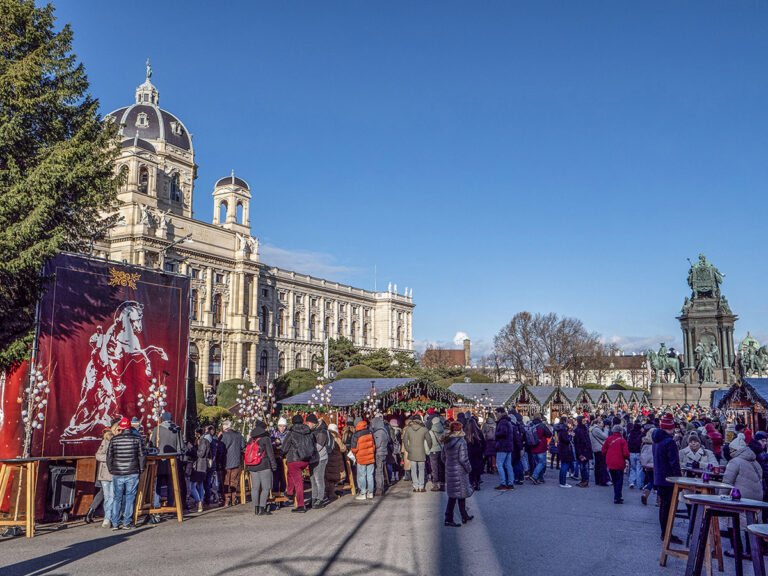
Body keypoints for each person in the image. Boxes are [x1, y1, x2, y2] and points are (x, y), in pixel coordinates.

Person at [723, 433, 764, 558]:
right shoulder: (754, 461)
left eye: (731, 449)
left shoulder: (735, 461)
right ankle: (751, 550)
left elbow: (727, 482)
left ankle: (736, 549)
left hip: (740, 499)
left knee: (731, 521)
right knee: (750, 525)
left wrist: (721, 497)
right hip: (756, 498)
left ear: (736, 450)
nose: (730, 452)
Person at [106, 416, 147, 530]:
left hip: (118, 472)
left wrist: (111, 469)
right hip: (133, 471)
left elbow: (109, 457)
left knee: (117, 498)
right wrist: (142, 469)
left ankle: (115, 523)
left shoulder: (114, 439)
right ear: (129, 427)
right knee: (130, 497)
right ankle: (126, 522)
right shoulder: (137, 439)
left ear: (121, 427)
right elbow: (142, 456)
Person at [653, 413, 683, 544]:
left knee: (663, 507)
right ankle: (667, 533)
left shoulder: (656, 440)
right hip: (669, 478)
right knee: (669, 508)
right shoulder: (669, 442)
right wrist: (678, 478)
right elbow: (674, 462)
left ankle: (664, 532)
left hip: (659, 477)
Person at [86, 421, 119, 527]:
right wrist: (111, 459)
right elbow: (99, 455)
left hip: (113, 472)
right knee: (107, 495)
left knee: (110, 496)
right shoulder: (107, 439)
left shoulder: (118, 439)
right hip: (105, 472)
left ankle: (107, 517)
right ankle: (105, 517)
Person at [149, 411, 184, 513]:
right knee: (172, 484)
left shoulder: (157, 429)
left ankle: (156, 505)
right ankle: (171, 505)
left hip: (159, 461)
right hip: (173, 461)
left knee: (157, 483)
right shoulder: (176, 429)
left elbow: (152, 445)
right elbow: (180, 446)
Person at [280, 415, 315, 513]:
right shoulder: (308, 431)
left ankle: (301, 505)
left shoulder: (291, 433)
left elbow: (284, 447)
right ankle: (290, 492)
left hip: (294, 460)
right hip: (305, 459)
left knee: (298, 482)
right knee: (290, 474)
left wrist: (282, 454)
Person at [442, 421, 474, 527]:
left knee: (454, 495)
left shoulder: (447, 440)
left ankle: (461, 515)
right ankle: (452, 518)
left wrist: (449, 464)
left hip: (450, 470)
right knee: (460, 494)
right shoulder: (461, 441)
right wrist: (469, 468)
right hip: (460, 471)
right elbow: (463, 458)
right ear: (460, 429)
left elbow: (443, 457)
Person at [245, 420, 278, 516]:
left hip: (252, 466)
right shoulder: (265, 438)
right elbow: (270, 453)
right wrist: (274, 465)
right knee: (266, 487)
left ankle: (256, 508)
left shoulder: (251, 439)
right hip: (264, 466)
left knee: (255, 488)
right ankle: (262, 508)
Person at [305, 414, 331, 508]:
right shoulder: (312, 431)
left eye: (308, 423)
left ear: (313, 423)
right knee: (312, 479)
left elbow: (319, 446)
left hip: (321, 458)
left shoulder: (322, 431)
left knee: (318, 479)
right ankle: (314, 499)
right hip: (313, 458)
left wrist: (307, 449)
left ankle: (320, 499)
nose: (307, 424)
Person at [219, 420, 246, 506]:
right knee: (234, 481)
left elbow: (221, 449)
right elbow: (243, 447)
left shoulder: (223, 436)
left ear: (224, 427)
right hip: (237, 461)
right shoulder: (238, 435)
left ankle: (227, 500)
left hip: (226, 462)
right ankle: (233, 500)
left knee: (226, 481)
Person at [603, 424, 630, 504]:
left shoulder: (609, 439)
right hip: (619, 462)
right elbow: (625, 453)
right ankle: (617, 497)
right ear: (621, 431)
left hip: (610, 462)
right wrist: (628, 458)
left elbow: (603, 451)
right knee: (619, 480)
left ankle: (617, 495)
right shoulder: (622, 441)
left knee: (614, 480)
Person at [351, 418, 376, 500]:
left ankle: (363, 493)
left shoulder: (356, 434)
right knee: (370, 475)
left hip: (361, 458)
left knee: (362, 475)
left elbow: (354, 449)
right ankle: (370, 492)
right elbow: (373, 446)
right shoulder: (370, 432)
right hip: (370, 457)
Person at [403, 414, 429, 492]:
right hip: (421, 451)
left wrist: (408, 448)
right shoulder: (424, 429)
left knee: (413, 469)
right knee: (421, 469)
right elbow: (428, 440)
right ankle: (421, 486)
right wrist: (428, 448)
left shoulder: (408, 429)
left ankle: (415, 486)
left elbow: (404, 440)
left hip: (412, 451)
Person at [494, 407, 518, 490]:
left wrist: (496, 434)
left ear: (501, 413)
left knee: (499, 464)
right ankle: (510, 483)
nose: (496, 415)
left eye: (496, 413)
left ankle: (503, 483)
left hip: (502, 446)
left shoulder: (503, 422)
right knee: (508, 465)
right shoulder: (508, 421)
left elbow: (503, 433)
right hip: (508, 446)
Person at [324, 423, 348, 501]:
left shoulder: (326, 437)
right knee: (335, 477)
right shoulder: (336, 438)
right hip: (336, 462)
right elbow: (343, 448)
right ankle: (333, 493)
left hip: (328, 461)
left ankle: (329, 492)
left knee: (329, 477)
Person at [190, 426, 210, 512]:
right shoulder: (204, 441)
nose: (194, 435)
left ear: (198, 434)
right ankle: (200, 503)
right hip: (202, 465)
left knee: (192, 486)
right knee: (200, 485)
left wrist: (192, 448)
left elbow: (201, 454)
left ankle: (199, 502)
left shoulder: (202, 441)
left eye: (195, 433)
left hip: (200, 466)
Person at [370, 416, 390, 495]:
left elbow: (377, 444)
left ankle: (379, 488)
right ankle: (380, 486)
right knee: (380, 470)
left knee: (379, 471)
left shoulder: (379, 432)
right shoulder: (384, 430)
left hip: (379, 453)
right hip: (384, 452)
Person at [528, 414, 551, 485]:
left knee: (538, 464)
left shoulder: (530, 424)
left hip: (532, 446)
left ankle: (541, 479)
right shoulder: (542, 425)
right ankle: (534, 476)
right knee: (542, 463)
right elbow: (549, 434)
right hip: (541, 446)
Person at [464, 417, 486, 490]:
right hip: (478, 452)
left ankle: (472, 482)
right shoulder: (478, 432)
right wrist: (483, 451)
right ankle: (477, 482)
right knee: (477, 467)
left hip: (469, 452)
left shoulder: (466, 433)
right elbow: (483, 442)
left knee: (470, 468)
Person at [426, 416, 445, 491]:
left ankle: (435, 485)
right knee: (442, 468)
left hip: (433, 451)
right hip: (441, 450)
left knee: (434, 468)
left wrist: (427, 451)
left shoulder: (430, 432)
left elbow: (428, 443)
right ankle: (442, 484)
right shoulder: (443, 431)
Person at [590, 417, 610, 486]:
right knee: (602, 465)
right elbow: (605, 436)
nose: (603, 425)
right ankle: (603, 480)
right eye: (601, 423)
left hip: (596, 449)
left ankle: (598, 480)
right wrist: (606, 429)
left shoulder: (593, 429)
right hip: (600, 448)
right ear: (598, 423)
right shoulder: (596, 430)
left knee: (598, 465)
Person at [556, 417, 575, 488]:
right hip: (565, 449)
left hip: (562, 448)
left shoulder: (560, 429)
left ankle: (562, 481)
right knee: (565, 465)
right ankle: (563, 482)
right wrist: (570, 436)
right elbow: (566, 440)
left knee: (563, 465)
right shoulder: (564, 430)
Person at [573, 416, 591, 488]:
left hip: (584, 451)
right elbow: (577, 442)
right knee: (583, 466)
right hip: (583, 450)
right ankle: (584, 480)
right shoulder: (579, 430)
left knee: (584, 467)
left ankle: (585, 481)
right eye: (583, 421)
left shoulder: (583, 429)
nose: (585, 422)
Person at [639, 426, 655, 505]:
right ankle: (659, 501)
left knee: (651, 481)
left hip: (647, 465)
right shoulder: (656, 444)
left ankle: (645, 493)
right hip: (655, 465)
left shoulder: (645, 442)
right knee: (657, 482)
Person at [627, 419, 644, 489]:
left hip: (631, 453)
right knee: (639, 469)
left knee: (632, 468)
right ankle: (639, 484)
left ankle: (631, 482)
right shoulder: (641, 435)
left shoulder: (630, 434)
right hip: (638, 452)